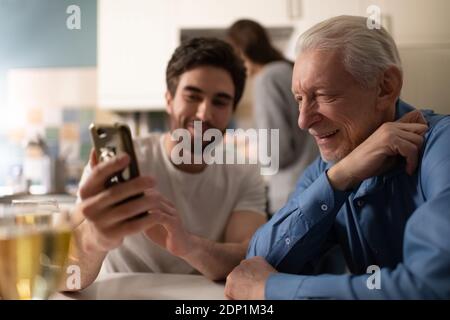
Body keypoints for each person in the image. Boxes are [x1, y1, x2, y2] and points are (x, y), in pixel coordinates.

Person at [225, 15, 450, 299]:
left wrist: (271, 289)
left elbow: (431, 286)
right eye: (298, 99)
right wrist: (343, 175)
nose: (303, 121)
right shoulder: (328, 171)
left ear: (386, 87)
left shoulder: (443, 147)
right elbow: (259, 260)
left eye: (322, 95)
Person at [66, 38, 267, 290]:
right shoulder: (121, 161)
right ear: (169, 100)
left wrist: (187, 245)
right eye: (192, 96)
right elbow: (64, 275)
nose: (204, 113)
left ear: (231, 110)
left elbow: (247, 259)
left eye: (220, 101)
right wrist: (96, 238)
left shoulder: (245, 173)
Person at [227, 19, 318, 214]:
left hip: (292, 195)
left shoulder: (267, 79)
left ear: (241, 52)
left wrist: (242, 154)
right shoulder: (288, 70)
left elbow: (276, 154)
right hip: (315, 185)